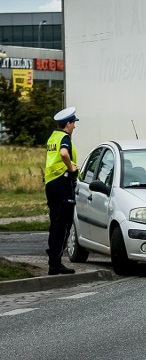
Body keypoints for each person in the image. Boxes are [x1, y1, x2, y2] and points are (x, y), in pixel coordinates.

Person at [43, 106, 79, 275]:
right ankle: (56, 262)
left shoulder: (52, 137)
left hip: (51, 184)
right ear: (68, 124)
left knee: (55, 223)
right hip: (62, 184)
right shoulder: (65, 138)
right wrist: (71, 168)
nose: (74, 127)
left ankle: (53, 262)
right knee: (64, 224)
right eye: (73, 123)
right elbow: (64, 154)